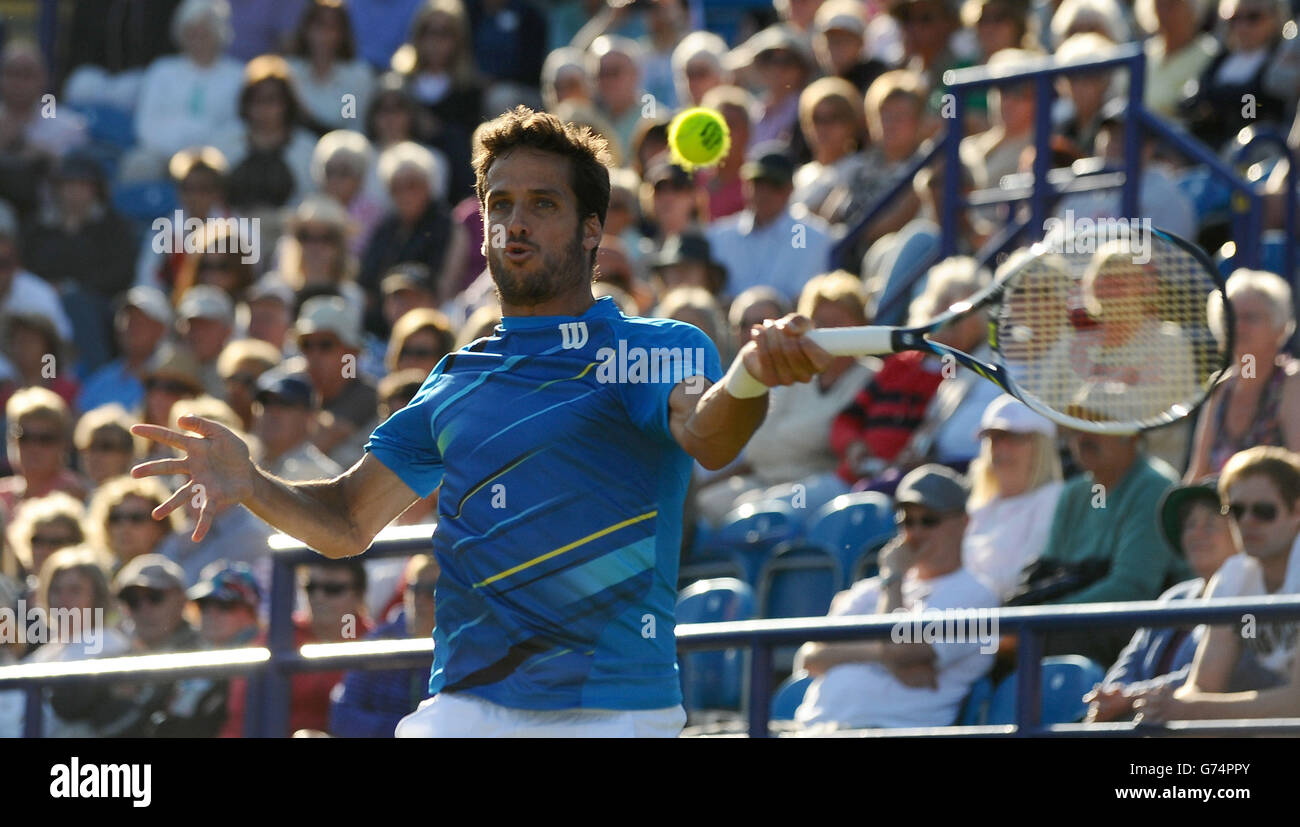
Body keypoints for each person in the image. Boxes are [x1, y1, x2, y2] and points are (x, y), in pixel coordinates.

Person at [132, 105, 835, 738]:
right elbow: (348, 518)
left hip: (611, 709)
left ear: (593, 229)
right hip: (465, 705)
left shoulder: (656, 348)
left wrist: (749, 377)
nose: (515, 222)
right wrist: (250, 480)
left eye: (543, 203)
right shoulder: (456, 378)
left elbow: (710, 433)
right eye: (500, 203)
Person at [794, 465, 1000, 730]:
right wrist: (887, 656)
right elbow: (811, 656)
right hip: (814, 729)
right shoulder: (869, 588)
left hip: (896, 730)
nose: (914, 532)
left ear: (963, 522)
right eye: (906, 520)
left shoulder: (978, 595)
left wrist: (893, 580)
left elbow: (903, 649)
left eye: (928, 520)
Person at [1132, 447, 1300, 722]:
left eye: (1264, 511)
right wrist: (1162, 704)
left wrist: (1190, 709)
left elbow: (1297, 703)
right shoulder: (1233, 574)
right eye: (1235, 511)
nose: (1247, 521)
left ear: (1297, 510)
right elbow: (1205, 685)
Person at [1021, 406, 1189, 665]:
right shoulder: (1073, 493)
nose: (1083, 437)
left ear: (1131, 435)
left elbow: (1132, 590)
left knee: (1026, 645)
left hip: (1138, 633)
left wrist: (1042, 620)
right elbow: (1048, 575)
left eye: (1098, 424)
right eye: (1078, 426)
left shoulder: (1155, 486)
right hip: (1075, 624)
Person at [1084, 476, 1238, 722]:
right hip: (1137, 723)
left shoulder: (1250, 598)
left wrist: (1128, 698)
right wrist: (1111, 695)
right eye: (1189, 524)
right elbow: (1129, 661)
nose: (1196, 533)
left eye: (1210, 524)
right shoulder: (1174, 597)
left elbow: (1211, 675)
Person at [221, 558, 374, 735]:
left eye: (333, 589)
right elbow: (240, 715)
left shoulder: (373, 642)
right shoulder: (278, 635)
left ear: (359, 594)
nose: (319, 597)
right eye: (311, 587)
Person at [1186, 269, 1300, 479]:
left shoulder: (1293, 384)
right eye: (1231, 317)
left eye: (1251, 318)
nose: (1239, 326)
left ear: (1280, 328)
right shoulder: (1220, 386)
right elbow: (1197, 473)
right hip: (1220, 509)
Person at [961, 395, 1064, 602]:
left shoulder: (1054, 499)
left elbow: (1023, 579)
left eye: (1014, 438)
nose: (1001, 449)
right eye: (994, 438)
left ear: (1040, 446)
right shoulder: (978, 507)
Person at [329, 554, 439, 736]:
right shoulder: (379, 640)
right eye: (413, 589)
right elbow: (343, 717)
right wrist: (406, 730)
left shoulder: (464, 646)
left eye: (431, 591)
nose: (420, 599)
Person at [150, 560, 263, 736]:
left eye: (224, 605)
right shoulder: (188, 656)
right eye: (204, 605)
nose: (211, 614)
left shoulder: (262, 660)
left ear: (250, 610)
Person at [706, 148, 835, 302]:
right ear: (746, 185)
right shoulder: (718, 236)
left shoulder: (814, 237)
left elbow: (803, 300)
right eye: (758, 183)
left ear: (790, 189)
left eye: (775, 184)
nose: (764, 192)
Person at [76, 287, 172, 415]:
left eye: (140, 321)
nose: (131, 327)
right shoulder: (102, 378)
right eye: (127, 319)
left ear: (161, 329)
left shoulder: (173, 378)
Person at [0, 387, 88, 516]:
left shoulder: (78, 496)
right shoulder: (3, 496)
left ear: (64, 444)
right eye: (24, 437)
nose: (33, 447)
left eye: (45, 438)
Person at [252, 370, 344, 482]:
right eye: (265, 403)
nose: (272, 411)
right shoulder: (242, 462)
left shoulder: (326, 478)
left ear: (309, 417)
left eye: (284, 404)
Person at [87, 475, 184, 573]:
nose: (125, 527)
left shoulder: (180, 572)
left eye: (137, 518)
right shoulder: (98, 576)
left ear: (161, 525)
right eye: (115, 518)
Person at [74, 404, 139, 489]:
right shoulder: (73, 495)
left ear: (128, 454)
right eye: (91, 446)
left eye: (106, 446)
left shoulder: (141, 498)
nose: (96, 455)